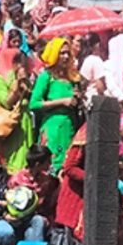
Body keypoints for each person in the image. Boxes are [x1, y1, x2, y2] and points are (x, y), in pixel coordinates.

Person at [30, 37, 80, 173]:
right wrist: (62, 101)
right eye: (61, 53)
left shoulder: (73, 78)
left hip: (69, 127)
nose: (65, 57)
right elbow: (34, 103)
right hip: (53, 128)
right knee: (51, 166)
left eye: (68, 53)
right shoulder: (46, 76)